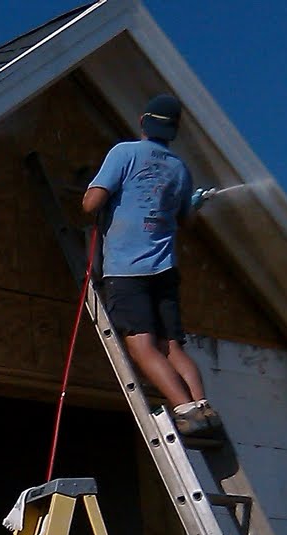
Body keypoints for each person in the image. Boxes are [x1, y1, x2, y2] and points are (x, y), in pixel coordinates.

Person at [82, 93, 217, 434]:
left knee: (141, 347)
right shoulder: (179, 168)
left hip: (128, 270)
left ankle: (185, 410)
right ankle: (202, 404)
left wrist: (97, 192)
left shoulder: (124, 153)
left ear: (143, 121)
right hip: (165, 268)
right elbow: (186, 221)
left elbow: (90, 204)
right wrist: (193, 204)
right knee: (170, 346)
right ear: (173, 131)